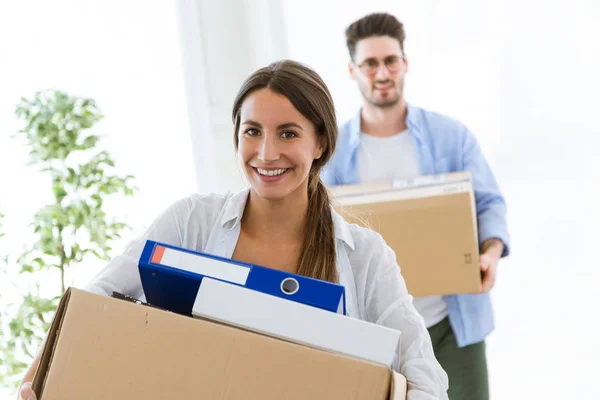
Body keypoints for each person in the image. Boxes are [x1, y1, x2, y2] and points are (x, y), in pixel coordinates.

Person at [18, 60, 449, 400]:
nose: (266, 152)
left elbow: (423, 372)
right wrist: (39, 380)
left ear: (320, 144)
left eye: (288, 133)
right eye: (253, 131)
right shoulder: (190, 222)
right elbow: (93, 303)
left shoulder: (363, 255)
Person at [320, 13, 510, 400]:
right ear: (353, 70)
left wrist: (490, 253)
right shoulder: (332, 152)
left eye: (391, 60)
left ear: (405, 63)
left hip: (452, 324)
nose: (382, 72)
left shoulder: (450, 136)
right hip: (375, 328)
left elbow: (489, 202)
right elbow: (320, 229)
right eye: (370, 63)